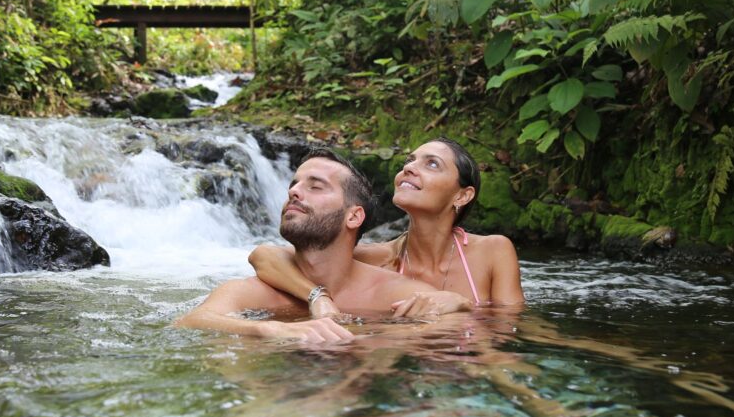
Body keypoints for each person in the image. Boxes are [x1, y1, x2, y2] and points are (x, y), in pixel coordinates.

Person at [175, 148, 470, 341]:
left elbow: (462, 338)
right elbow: (190, 322)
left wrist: (460, 302)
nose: (294, 192)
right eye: (294, 184)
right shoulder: (251, 291)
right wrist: (269, 329)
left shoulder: (395, 293)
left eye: (315, 187)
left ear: (354, 216)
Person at [249, 137, 524, 316]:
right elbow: (265, 256)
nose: (410, 168)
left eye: (431, 164)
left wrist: (463, 305)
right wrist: (316, 297)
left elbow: (510, 329)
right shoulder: (380, 258)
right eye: (409, 161)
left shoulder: (494, 251)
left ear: (462, 195)